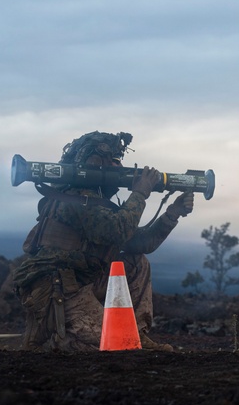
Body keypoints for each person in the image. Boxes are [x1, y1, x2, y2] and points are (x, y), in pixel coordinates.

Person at [11, 130, 194, 352]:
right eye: (114, 161)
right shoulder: (77, 197)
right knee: (112, 344)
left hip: (84, 280)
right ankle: (54, 337)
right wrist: (140, 194)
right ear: (94, 161)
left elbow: (139, 243)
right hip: (59, 288)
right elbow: (117, 231)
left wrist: (172, 213)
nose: (119, 167)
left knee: (137, 262)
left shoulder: (94, 199)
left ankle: (136, 333)